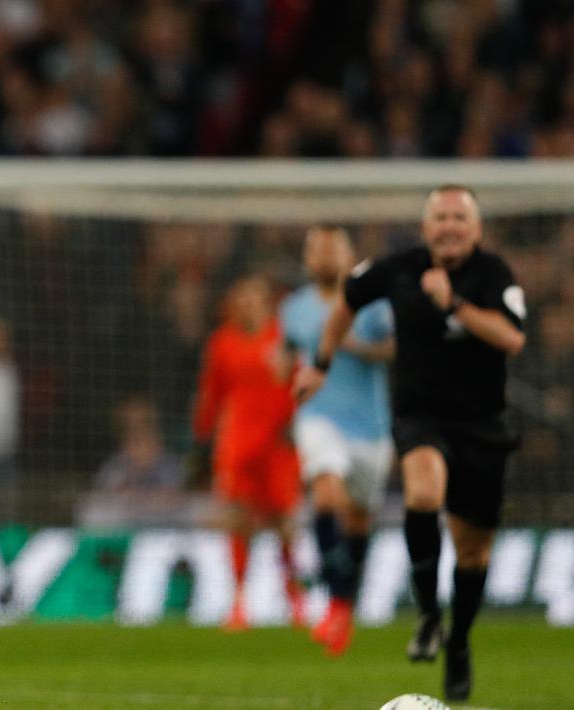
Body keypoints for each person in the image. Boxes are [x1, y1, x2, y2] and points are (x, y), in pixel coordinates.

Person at [294, 185, 526, 701]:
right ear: (425, 227)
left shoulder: (494, 275)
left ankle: (459, 641)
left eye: (458, 218)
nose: (448, 226)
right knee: (422, 495)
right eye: (439, 217)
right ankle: (427, 614)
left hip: (482, 426)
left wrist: (456, 305)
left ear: (476, 229)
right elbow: (346, 301)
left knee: (473, 550)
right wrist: (322, 363)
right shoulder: (397, 268)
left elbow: (512, 338)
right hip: (420, 417)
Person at [279, 226, 394, 656]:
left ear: (349, 254)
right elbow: (287, 355)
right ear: (308, 258)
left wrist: (352, 346)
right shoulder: (293, 307)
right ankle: (332, 598)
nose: (326, 257)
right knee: (326, 493)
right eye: (318, 250)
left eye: (334, 248)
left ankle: (343, 604)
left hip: (370, 426)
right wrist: (279, 366)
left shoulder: (374, 301)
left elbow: (396, 349)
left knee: (359, 518)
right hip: (318, 414)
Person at [193, 275, 304, 631]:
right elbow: (212, 392)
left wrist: (298, 424)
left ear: (266, 302)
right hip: (237, 444)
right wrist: (201, 435)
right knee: (239, 520)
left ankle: (294, 597)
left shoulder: (284, 340)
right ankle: (239, 601)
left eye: (254, 298)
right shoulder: (222, 343)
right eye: (241, 299)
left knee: (283, 521)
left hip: (278, 445)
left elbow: (299, 387)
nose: (247, 305)